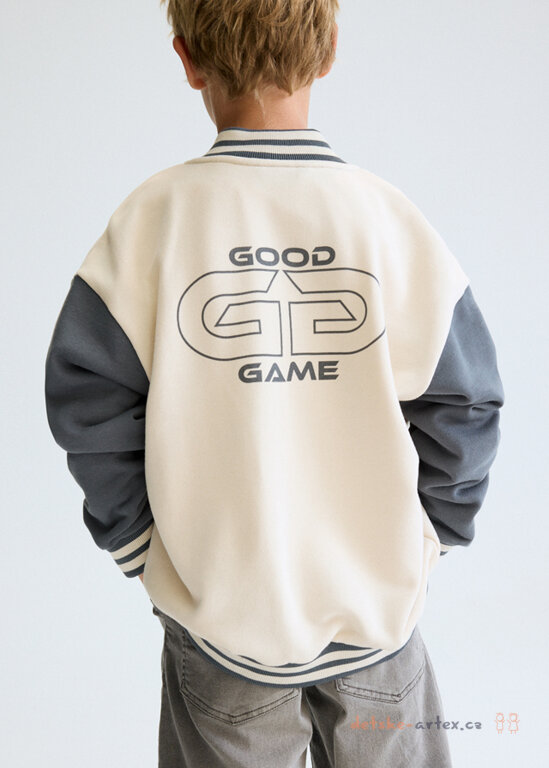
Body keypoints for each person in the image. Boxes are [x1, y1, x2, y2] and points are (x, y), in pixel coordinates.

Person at [44, 1, 504, 766]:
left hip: (222, 622)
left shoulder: (152, 221)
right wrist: (432, 535)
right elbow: (465, 400)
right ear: (329, 49)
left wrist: (142, 547)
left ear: (187, 59)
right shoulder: (383, 218)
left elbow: (86, 397)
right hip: (375, 613)